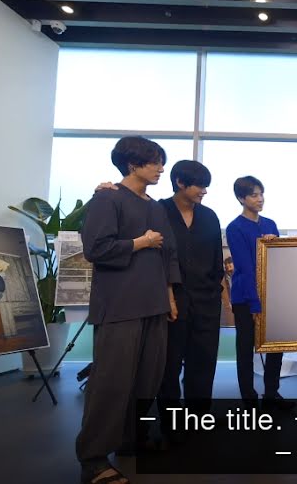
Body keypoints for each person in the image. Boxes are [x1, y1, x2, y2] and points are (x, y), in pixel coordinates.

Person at [75, 136, 180, 484]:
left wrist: (169, 296)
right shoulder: (107, 198)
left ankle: (129, 440)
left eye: (161, 162)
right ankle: (93, 460)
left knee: (148, 379)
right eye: (155, 162)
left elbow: (168, 253)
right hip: (120, 306)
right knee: (111, 384)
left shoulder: (157, 207)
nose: (161, 169)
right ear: (133, 164)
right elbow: (96, 249)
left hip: (154, 304)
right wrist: (141, 242)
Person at [95, 160, 226, 426]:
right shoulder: (157, 210)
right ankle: (171, 422)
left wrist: (218, 293)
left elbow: (216, 260)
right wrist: (103, 190)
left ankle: (199, 417)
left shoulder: (210, 216)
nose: (204, 191)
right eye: (200, 185)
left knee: (204, 362)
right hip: (170, 300)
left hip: (206, 301)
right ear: (180, 183)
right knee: (168, 364)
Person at [225, 175, 294, 410]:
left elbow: (279, 260)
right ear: (241, 198)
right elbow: (245, 268)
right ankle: (249, 398)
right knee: (245, 348)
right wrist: (255, 304)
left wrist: (274, 244)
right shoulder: (235, 228)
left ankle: (272, 394)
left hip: (271, 295)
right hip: (245, 297)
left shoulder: (270, 224)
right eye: (254, 195)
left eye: (261, 194)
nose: (260, 199)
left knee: (275, 346)